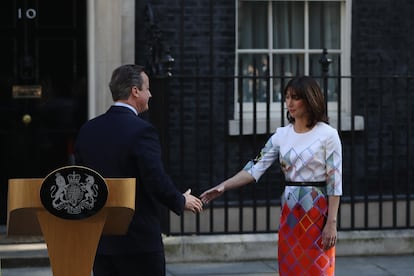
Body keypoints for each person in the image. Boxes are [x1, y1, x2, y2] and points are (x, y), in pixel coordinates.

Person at [200, 76, 342, 276]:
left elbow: (335, 181)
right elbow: (254, 168)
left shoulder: (328, 135)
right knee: (289, 268)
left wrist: (332, 223)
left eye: (295, 97)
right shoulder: (281, 135)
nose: (289, 103)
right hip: (290, 211)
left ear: (310, 99)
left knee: (319, 269)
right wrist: (224, 186)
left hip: (318, 212)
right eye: (287, 97)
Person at [74, 64, 203, 276]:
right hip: (138, 240)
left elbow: (81, 179)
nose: (150, 94)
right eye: (147, 89)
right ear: (135, 91)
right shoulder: (142, 131)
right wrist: (180, 200)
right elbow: (155, 179)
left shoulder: (88, 130)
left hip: (101, 239)